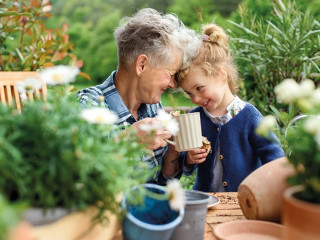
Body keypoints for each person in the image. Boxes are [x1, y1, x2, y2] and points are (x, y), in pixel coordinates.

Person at [77, 8, 200, 185]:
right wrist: (127, 142)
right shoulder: (88, 106)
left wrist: (173, 149)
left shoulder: (151, 107)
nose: (173, 85)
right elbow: (74, 175)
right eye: (170, 74)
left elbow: (161, 183)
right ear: (142, 65)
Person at [175, 23, 285, 192]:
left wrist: (272, 186)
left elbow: (274, 156)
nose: (195, 98)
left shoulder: (249, 116)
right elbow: (185, 163)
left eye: (199, 88)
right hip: (206, 200)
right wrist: (189, 158)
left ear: (221, 75)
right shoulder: (195, 117)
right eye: (189, 93)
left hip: (242, 201)